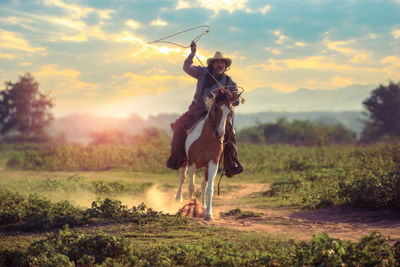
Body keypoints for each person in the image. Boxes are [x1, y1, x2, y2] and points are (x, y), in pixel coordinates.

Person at [166, 41, 243, 177]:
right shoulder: (202, 73)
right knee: (178, 125)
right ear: (212, 64)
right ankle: (176, 157)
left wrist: (231, 96)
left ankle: (231, 164)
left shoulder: (229, 82)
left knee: (231, 134)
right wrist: (192, 54)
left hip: (217, 113)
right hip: (197, 108)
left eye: (222, 63)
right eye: (217, 62)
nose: (220, 65)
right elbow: (186, 68)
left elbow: (235, 102)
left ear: (225, 66)